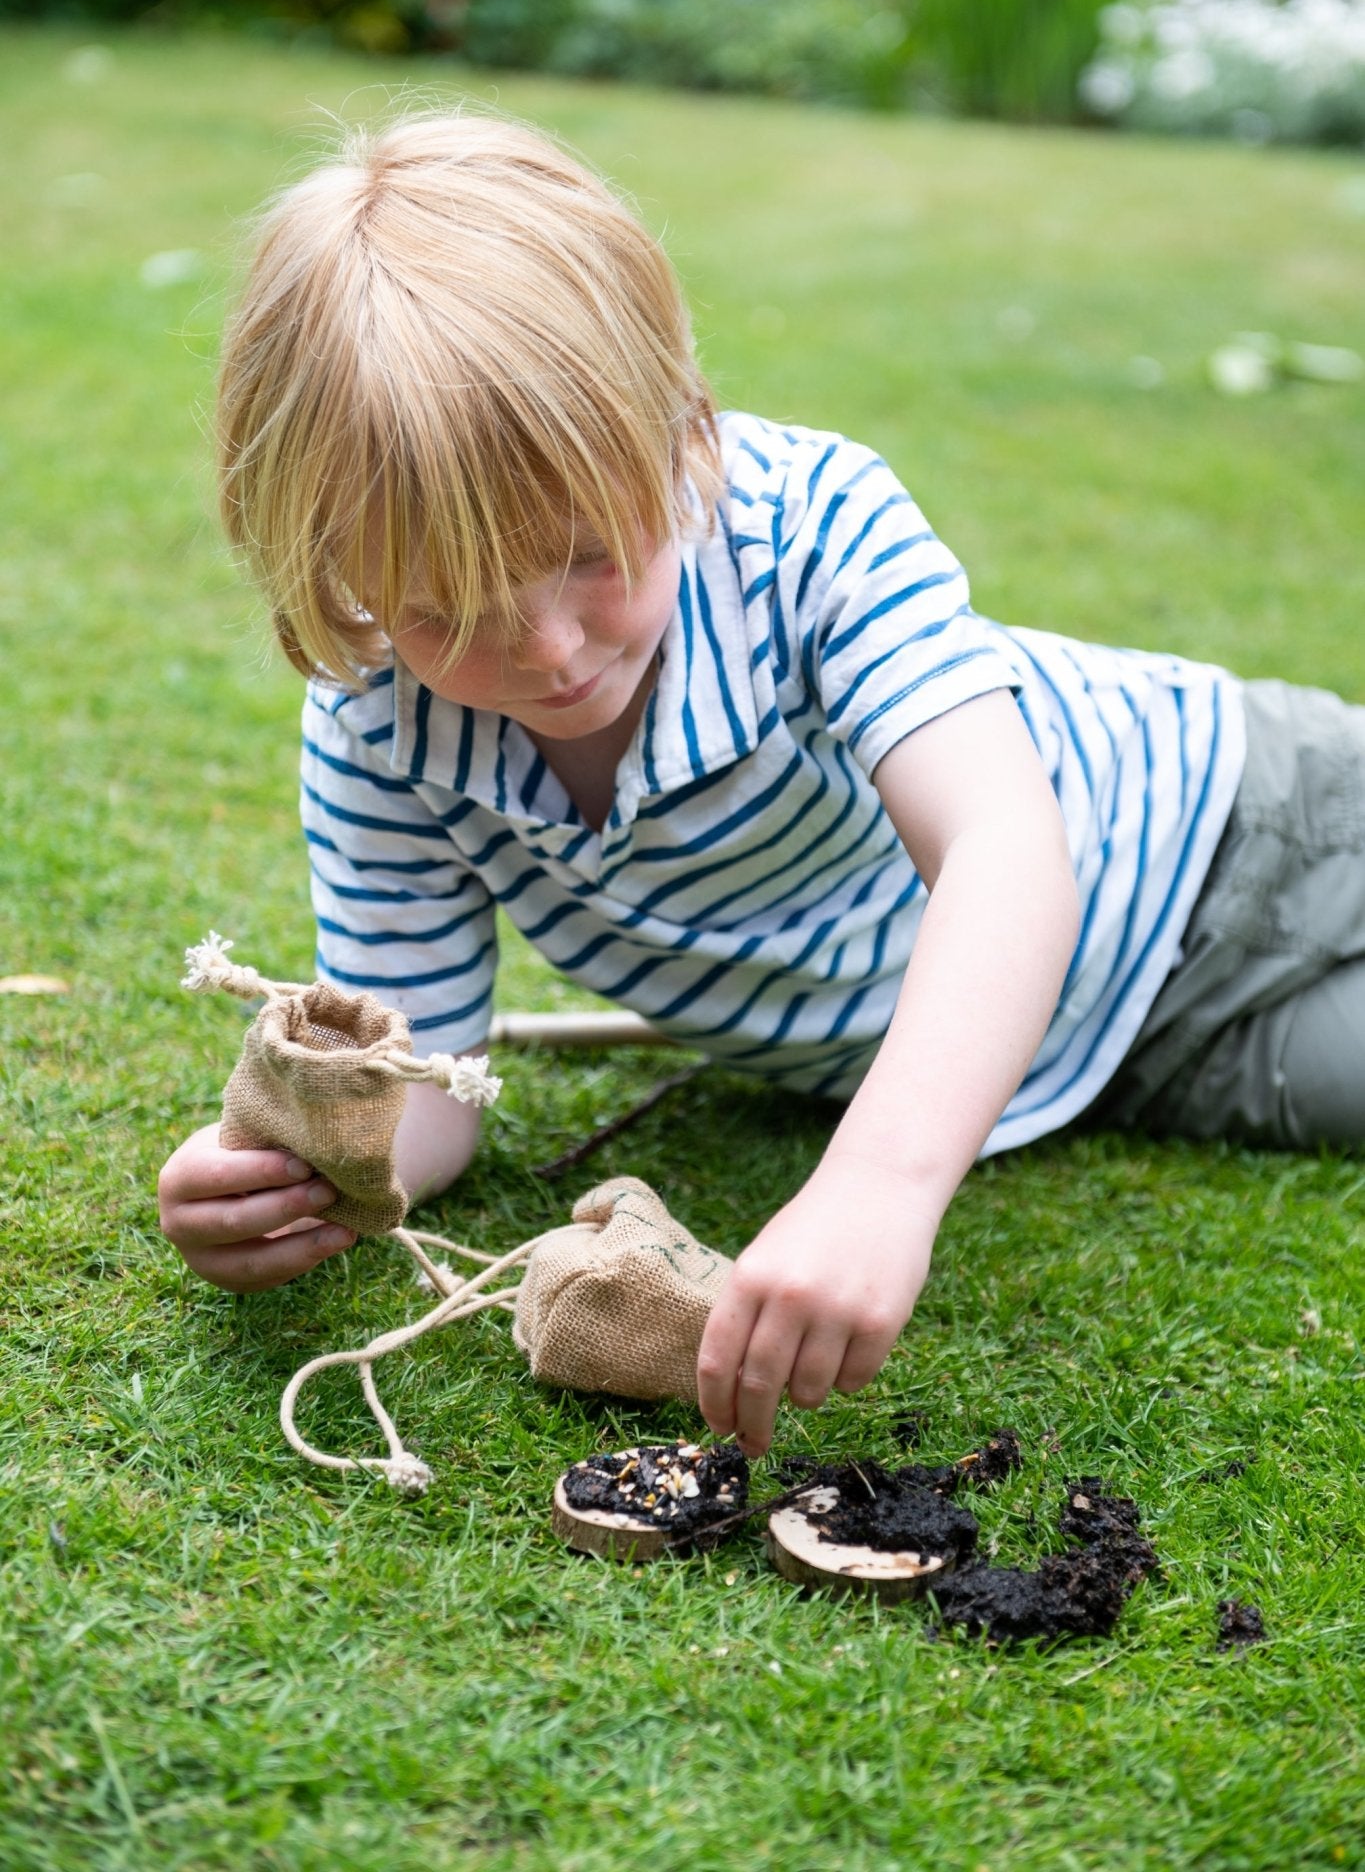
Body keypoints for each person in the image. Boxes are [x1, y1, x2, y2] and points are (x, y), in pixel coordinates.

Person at [158, 110, 1365, 1458]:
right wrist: (308, 1175)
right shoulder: (382, 726)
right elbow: (435, 1076)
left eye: (585, 558)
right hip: (1129, 1048)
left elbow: (1005, 850)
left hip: (1251, 817)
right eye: (443, 609)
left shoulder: (811, 529)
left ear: (684, 438)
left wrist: (879, 1185)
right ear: (340, 575)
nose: (546, 651)